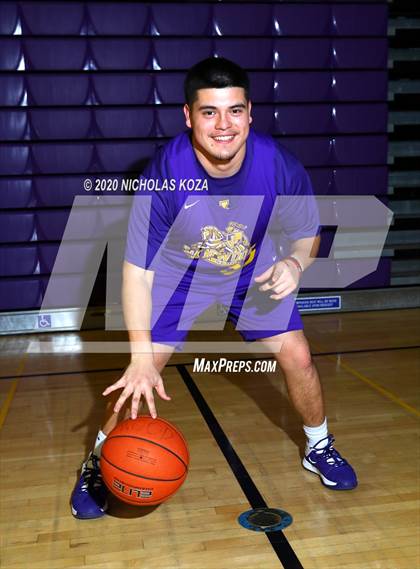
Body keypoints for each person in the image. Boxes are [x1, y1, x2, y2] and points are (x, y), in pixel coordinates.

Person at [71, 57, 357, 519]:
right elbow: (137, 273)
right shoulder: (164, 176)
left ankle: (318, 446)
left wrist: (294, 262)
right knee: (138, 380)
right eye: (209, 112)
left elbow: (308, 235)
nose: (224, 126)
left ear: (250, 112)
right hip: (178, 278)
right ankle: (96, 465)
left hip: (249, 272)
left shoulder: (278, 165)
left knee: (298, 354)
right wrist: (142, 355)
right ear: (188, 115)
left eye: (235, 111)